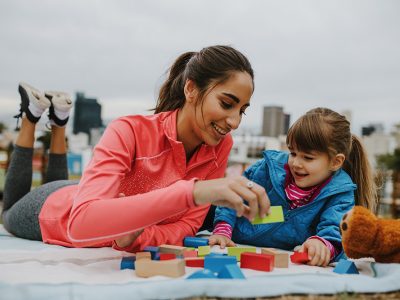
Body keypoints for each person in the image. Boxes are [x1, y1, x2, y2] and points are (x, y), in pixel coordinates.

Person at [1, 45, 270, 252]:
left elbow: (187, 226)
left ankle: (58, 121)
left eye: (242, 111)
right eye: (226, 104)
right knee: (8, 210)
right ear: (191, 89)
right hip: (54, 210)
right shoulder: (128, 130)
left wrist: (136, 237)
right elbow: (81, 223)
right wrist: (194, 191)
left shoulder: (220, 145)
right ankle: (31, 119)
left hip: (83, 193)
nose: (234, 121)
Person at [210, 107, 377, 266]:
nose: (296, 163)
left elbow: (335, 230)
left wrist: (322, 245)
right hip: (233, 243)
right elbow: (233, 196)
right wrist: (222, 229)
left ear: (335, 161)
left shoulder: (340, 193)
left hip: (282, 259)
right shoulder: (268, 168)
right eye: (293, 153)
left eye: (308, 158)